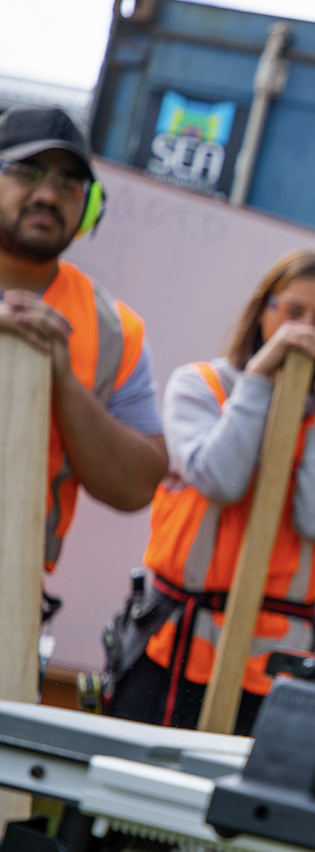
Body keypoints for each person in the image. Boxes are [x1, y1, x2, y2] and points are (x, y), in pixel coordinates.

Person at [104, 249, 315, 735]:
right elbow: (220, 479)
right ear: (263, 310)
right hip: (171, 645)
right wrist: (257, 381)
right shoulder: (202, 385)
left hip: (278, 665)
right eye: (292, 312)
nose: (305, 331)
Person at [0, 105, 167, 575]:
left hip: (12, 591)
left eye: (70, 185)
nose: (48, 195)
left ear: (89, 207)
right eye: (28, 172)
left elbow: (135, 487)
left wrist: (65, 384)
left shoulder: (113, 329)